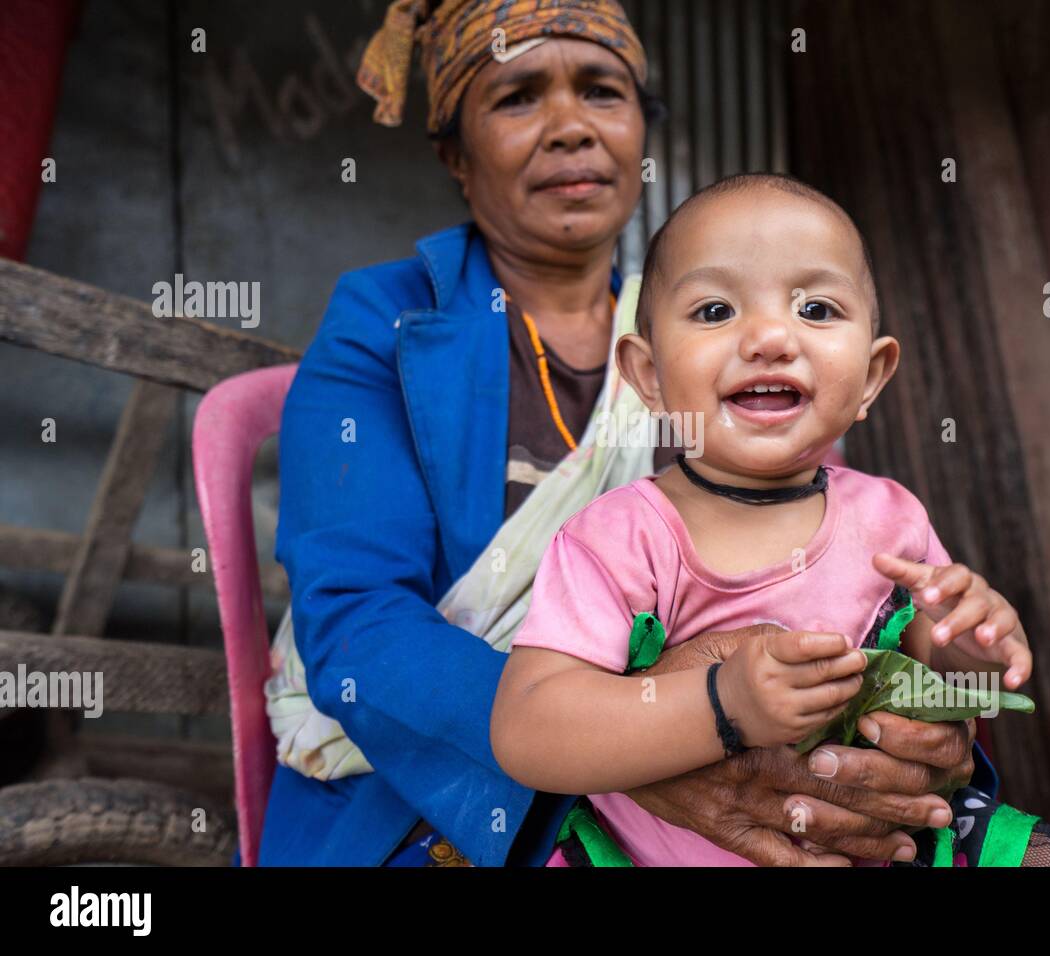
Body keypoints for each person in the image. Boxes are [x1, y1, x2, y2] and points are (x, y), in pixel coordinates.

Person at [263, 0, 989, 868]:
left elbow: (831, 584)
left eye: (603, 92)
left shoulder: (721, 337)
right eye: (518, 98)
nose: (571, 127)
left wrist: (916, 722)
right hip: (440, 780)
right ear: (456, 155)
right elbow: (357, 624)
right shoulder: (384, 325)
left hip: (737, 759)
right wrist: (624, 746)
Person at [491, 173, 1050, 867]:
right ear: (647, 376)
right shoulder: (619, 538)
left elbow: (949, 684)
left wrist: (972, 647)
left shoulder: (890, 516)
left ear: (873, 377)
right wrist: (719, 705)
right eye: (713, 311)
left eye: (816, 309)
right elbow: (529, 731)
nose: (769, 337)